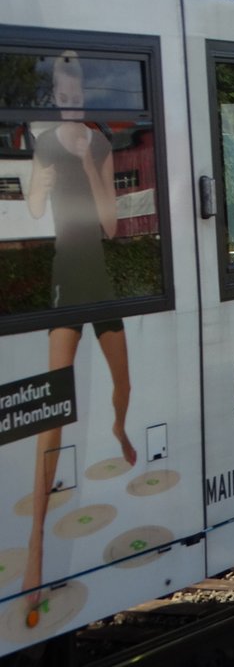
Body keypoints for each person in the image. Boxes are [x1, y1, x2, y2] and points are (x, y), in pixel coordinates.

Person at [22, 52, 136, 617]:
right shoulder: (44, 143)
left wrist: (93, 166)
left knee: (124, 384)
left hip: (101, 275)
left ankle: (118, 429)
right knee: (53, 410)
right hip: (67, 277)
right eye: (64, 96)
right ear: (53, 98)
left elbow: (113, 225)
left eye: (78, 95)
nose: (73, 103)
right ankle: (37, 549)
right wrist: (41, 181)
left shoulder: (98, 143)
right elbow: (38, 208)